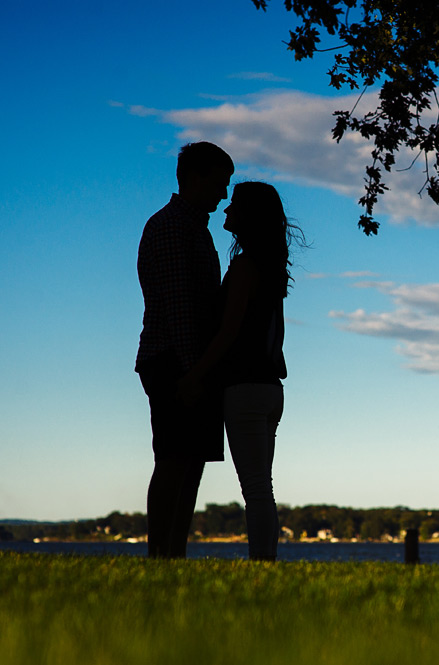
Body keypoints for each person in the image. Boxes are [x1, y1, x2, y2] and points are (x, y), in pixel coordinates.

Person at [179, 182, 301, 561]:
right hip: (270, 388)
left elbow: (229, 331)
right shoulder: (271, 268)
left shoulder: (247, 266)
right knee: (262, 485)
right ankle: (266, 560)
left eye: (234, 207)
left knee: (255, 487)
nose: (226, 212)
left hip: (246, 388)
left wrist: (195, 375)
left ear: (250, 216)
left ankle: (262, 563)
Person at [135, 141, 234, 558]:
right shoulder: (174, 227)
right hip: (176, 362)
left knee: (188, 465)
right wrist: (194, 373)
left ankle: (172, 554)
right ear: (196, 177)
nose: (224, 194)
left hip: (185, 362)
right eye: (219, 182)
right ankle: (162, 554)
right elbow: (180, 309)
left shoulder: (191, 226)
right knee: (175, 462)